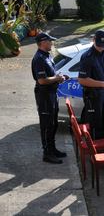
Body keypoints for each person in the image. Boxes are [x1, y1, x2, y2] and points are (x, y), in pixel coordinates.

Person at [31, 32, 67, 164]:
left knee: (53, 124)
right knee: (46, 125)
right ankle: (47, 153)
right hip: (44, 96)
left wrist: (59, 78)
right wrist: (56, 78)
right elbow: (42, 80)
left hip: (52, 94)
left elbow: (51, 75)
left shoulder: (47, 56)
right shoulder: (39, 58)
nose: (52, 43)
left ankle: (52, 149)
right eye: (50, 41)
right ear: (43, 42)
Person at [78, 29, 104, 140]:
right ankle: (95, 152)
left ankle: (101, 145)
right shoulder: (87, 57)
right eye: (99, 44)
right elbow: (82, 79)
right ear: (93, 40)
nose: (101, 47)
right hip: (92, 95)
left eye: (103, 45)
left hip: (103, 93)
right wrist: (103, 84)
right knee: (95, 125)